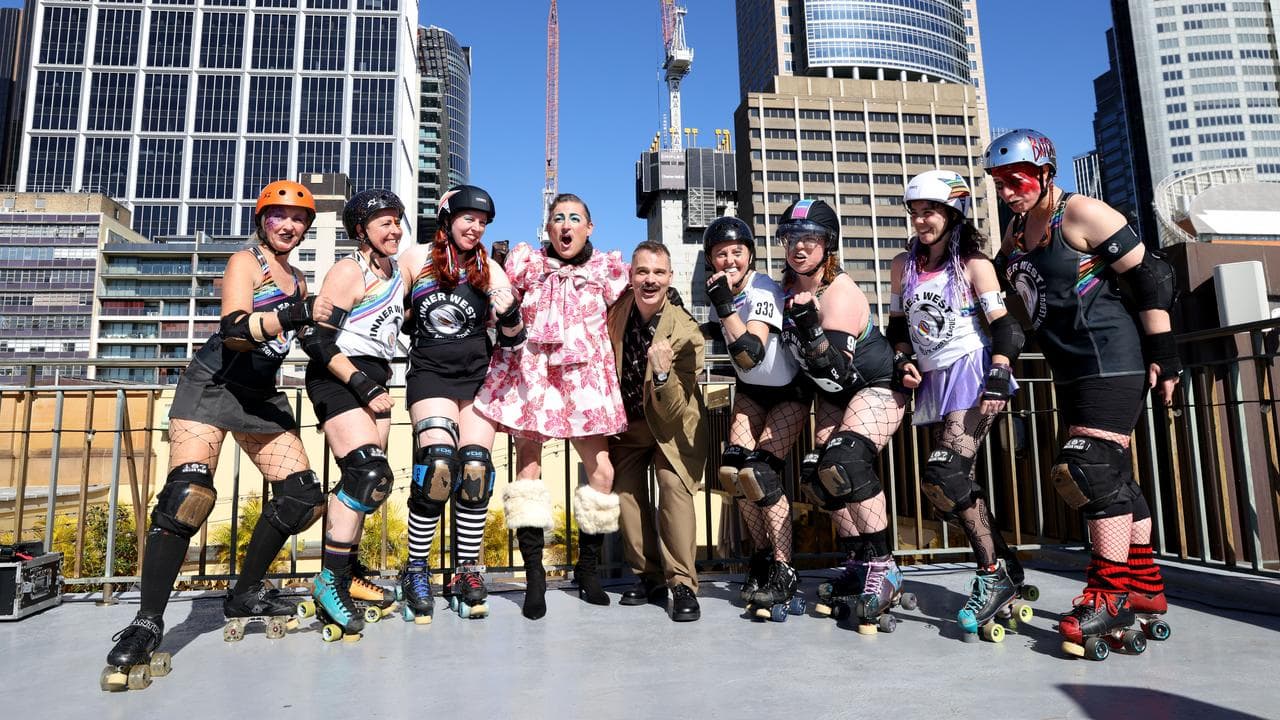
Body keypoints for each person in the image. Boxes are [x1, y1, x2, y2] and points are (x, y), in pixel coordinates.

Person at [104, 180, 329, 679]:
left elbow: (310, 338)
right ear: (262, 220)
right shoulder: (247, 261)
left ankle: (244, 593)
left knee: (302, 498)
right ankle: (146, 622)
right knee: (187, 497)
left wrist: (352, 376)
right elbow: (234, 330)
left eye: (299, 220)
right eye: (279, 216)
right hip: (213, 383)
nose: (289, 226)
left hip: (260, 394)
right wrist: (294, 313)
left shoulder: (299, 279)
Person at [985, 129, 1179, 654]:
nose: (1008, 192)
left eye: (1017, 180)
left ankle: (1109, 595)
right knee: (1113, 476)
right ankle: (1145, 588)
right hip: (1068, 369)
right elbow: (1012, 305)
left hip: (1112, 359)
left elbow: (1152, 277)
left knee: (1087, 467)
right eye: (1000, 183)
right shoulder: (1016, 232)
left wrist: (1165, 355)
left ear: (1046, 172)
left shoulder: (1081, 212)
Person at [474, 193, 630, 619]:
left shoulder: (606, 269)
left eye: (575, 218)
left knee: (602, 471)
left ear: (589, 228)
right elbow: (496, 299)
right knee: (528, 471)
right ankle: (535, 578)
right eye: (558, 218)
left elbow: (640, 300)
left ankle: (588, 570)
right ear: (548, 227)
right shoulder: (529, 263)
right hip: (535, 376)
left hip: (585, 379)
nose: (565, 224)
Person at [887, 171, 1029, 636]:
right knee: (954, 482)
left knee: (945, 475)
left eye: (929, 212)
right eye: (915, 212)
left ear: (952, 214)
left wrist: (1000, 373)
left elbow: (1006, 326)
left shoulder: (973, 264)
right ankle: (1005, 566)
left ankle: (991, 575)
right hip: (933, 380)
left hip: (971, 372)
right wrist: (903, 360)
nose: (920, 220)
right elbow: (898, 328)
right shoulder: (902, 265)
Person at [774, 199, 909, 628]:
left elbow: (835, 371)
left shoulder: (839, 292)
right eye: (791, 239)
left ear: (827, 245)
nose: (799, 247)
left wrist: (811, 330)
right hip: (835, 394)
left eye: (810, 239)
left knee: (846, 462)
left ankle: (885, 568)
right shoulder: (786, 290)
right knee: (819, 476)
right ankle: (858, 562)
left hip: (875, 383)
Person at [396, 185, 521, 622]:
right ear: (447, 219)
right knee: (437, 465)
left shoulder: (490, 267)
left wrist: (509, 313)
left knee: (474, 471)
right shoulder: (416, 259)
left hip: (477, 377)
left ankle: (466, 571)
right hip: (430, 373)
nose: (476, 227)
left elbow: (514, 338)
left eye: (482, 222)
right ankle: (415, 570)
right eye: (469, 218)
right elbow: (389, 310)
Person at [299, 189, 406, 639]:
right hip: (339, 375)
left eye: (397, 221)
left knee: (367, 485)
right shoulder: (350, 269)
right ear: (361, 230)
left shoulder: (395, 272)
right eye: (384, 223)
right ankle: (329, 580)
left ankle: (349, 574)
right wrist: (361, 384)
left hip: (377, 376)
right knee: (367, 472)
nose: (394, 229)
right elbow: (315, 339)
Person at [701, 216, 808, 618]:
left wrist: (723, 304)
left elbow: (750, 352)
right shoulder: (721, 291)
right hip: (751, 392)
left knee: (759, 474)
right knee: (734, 473)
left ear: (750, 255)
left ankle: (784, 568)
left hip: (787, 392)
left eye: (737, 252)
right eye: (721, 254)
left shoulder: (762, 288)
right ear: (710, 260)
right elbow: (722, 335)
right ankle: (762, 558)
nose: (729, 260)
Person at [605, 241, 707, 622]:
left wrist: (662, 375)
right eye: (643, 271)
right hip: (631, 424)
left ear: (670, 278)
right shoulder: (616, 312)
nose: (650, 280)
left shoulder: (687, 332)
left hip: (673, 428)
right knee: (624, 490)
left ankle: (682, 583)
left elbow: (675, 408)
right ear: (631, 276)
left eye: (658, 272)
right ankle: (647, 575)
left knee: (672, 486)